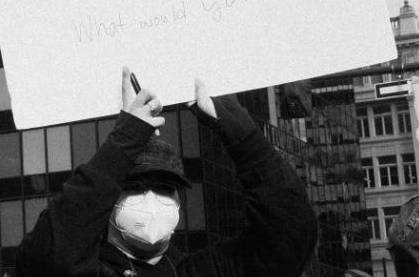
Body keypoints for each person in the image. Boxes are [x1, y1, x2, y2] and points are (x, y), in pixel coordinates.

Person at [16, 69, 318, 277]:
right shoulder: (86, 267)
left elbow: (288, 239)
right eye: (136, 188)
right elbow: (49, 259)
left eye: (165, 189)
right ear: (109, 201)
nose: (151, 198)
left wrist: (244, 139)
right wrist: (124, 140)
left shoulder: (197, 272)